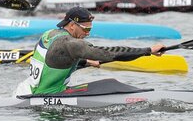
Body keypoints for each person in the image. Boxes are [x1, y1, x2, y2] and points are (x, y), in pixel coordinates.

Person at [15, 7, 165, 95]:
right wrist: (148, 50)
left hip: (25, 91)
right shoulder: (70, 43)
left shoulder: (49, 34)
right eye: (85, 29)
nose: (88, 33)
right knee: (109, 85)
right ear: (72, 25)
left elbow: (53, 63)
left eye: (90, 29)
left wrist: (85, 62)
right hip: (45, 97)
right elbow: (111, 53)